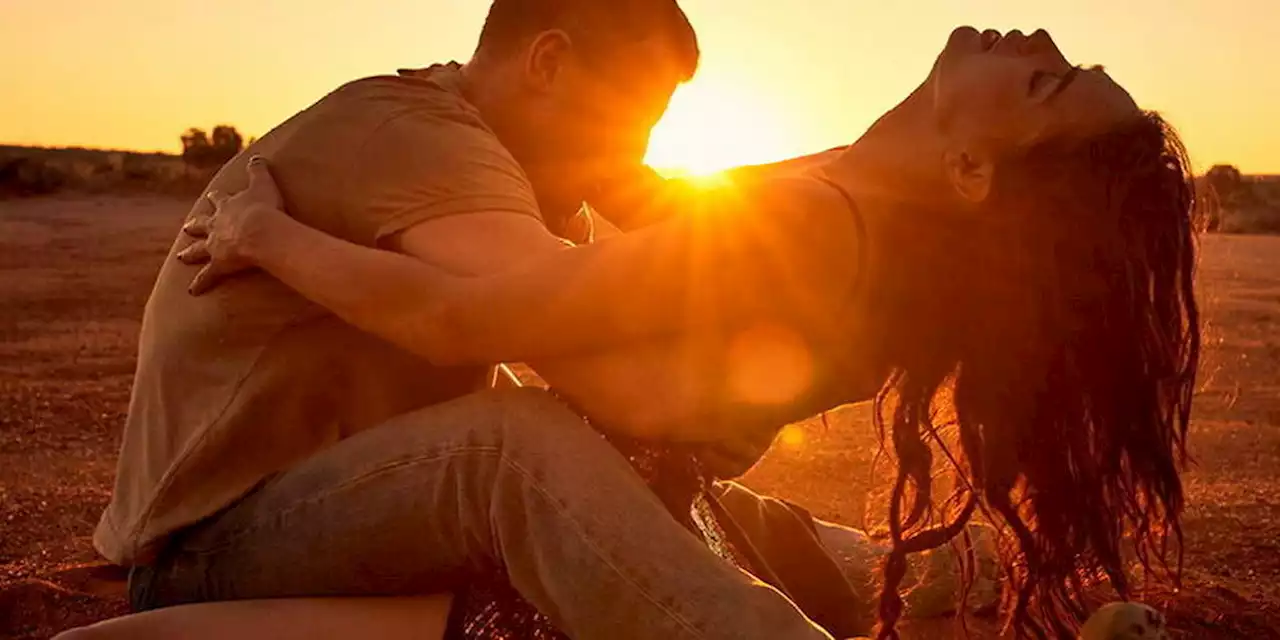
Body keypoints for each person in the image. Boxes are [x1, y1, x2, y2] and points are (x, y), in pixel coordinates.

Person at [176, 24, 1203, 640]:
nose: (1034, 40)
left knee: (541, 454)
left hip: (605, 450)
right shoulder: (860, 204)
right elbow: (662, 208)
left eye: (1043, 84)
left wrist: (262, 230)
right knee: (763, 530)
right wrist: (502, 114)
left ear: (971, 172)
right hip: (645, 462)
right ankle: (985, 585)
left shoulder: (824, 224)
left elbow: (457, 319)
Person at [87, 2, 902, 639]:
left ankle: (906, 571)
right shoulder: (411, 133)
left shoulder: (507, 162)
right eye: (637, 113)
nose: (641, 147)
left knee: (614, 449)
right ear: (548, 60)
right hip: (213, 546)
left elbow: (676, 246)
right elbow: (540, 326)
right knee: (510, 446)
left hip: (347, 506)